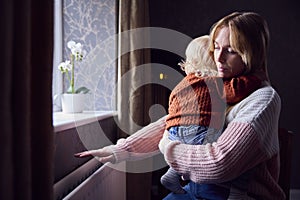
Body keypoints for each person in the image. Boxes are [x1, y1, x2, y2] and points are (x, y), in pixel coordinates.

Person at [75, 11, 285, 200]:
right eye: (217, 47)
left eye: (231, 51)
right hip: (196, 191)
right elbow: (176, 123)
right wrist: (119, 150)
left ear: (251, 54)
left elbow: (218, 164)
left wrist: (168, 146)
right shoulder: (215, 87)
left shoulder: (262, 99)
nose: (218, 58)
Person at [160, 35, 262, 197]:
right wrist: (255, 79)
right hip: (199, 128)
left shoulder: (183, 83)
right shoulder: (213, 81)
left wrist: (170, 134)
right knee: (241, 156)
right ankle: (238, 191)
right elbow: (235, 90)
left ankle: (172, 174)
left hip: (173, 131)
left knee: (188, 147)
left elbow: (173, 107)